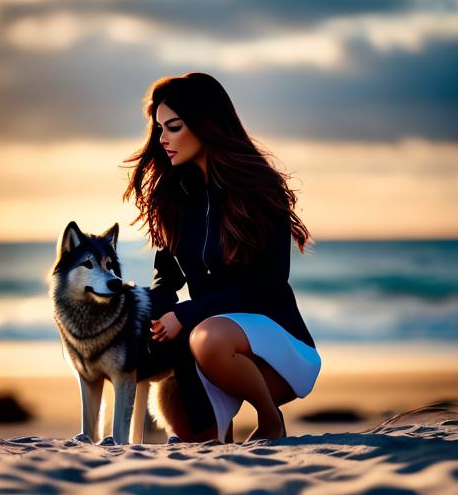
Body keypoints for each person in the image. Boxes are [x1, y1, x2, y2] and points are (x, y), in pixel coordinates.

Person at [122, 72, 321, 443]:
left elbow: (267, 286)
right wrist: (153, 316)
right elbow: (167, 277)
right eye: (159, 128)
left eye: (174, 127)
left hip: (277, 349)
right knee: (192, 432)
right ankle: (222, 424)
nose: (162, 139)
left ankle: (269, 418)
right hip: (206, 349)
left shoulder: (258, 188)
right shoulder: (174, 198)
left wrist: (184, 314)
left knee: (207, 336)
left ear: (205, 124)